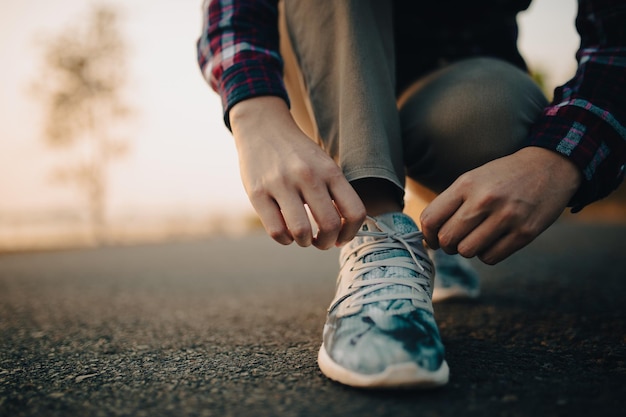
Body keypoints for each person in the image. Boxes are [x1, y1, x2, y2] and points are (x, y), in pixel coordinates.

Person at [197, 0, 625, 389]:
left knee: (498, 114)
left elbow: (615, 45)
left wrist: (558, 159)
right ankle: (379, 229)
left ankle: (423, 229)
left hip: (453, 79)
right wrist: (253, 110)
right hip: (321, 67)